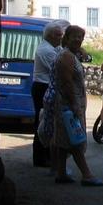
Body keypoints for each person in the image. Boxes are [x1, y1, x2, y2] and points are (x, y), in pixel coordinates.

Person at [49, 24, 103, 186]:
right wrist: (74, 104)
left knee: (64, 138)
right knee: (75, 139)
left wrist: (82, 51)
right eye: (75, 36)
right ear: (67, 38)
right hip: (68, 104)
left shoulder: (68, 54)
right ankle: (87, 175)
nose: (78, 40)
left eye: (81, 37)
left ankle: (61, 173)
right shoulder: (66, 57)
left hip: (66, 103)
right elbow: (67, 82)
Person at [31, 19, 68, 168]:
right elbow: (60, 68)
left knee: (46, 121)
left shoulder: (53, 48)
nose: (61, 38)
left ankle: (46, 155)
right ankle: (41, 157)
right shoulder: (46, 50)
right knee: (43, 121)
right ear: (51, 36)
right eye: (59, 35)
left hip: (44, 86)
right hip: (43, 86)